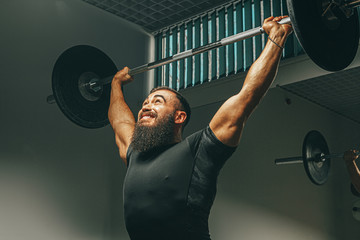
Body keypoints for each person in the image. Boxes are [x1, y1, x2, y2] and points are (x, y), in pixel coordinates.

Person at [108, 16, 293, 240]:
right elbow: (120, 121)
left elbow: (247, 96)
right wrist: (115, 83)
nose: (147, 106)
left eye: (158, 101)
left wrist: (277, 37)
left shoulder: (199, 150)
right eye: (146, 102)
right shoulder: (135, 154)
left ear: (179, 116)